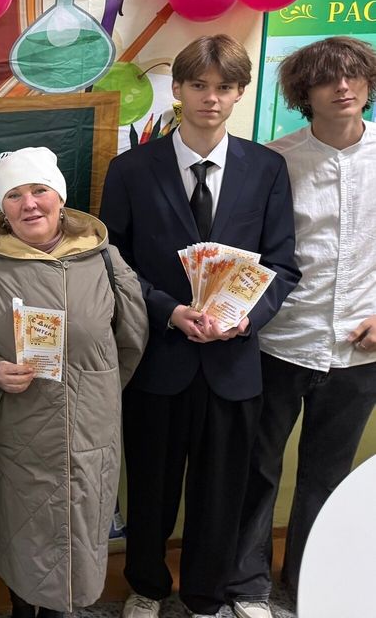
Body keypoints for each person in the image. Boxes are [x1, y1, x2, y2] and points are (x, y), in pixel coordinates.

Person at [100, 35, 300, 618]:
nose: (211, 98)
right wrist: (167, 309)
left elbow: (283, 266)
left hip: (233, 365)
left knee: (221, 493)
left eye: (224, 87)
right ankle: (146, 586)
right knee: (152, 487)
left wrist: (245, 319)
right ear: (179, 90)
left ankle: (207, 596)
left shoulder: (266, 169)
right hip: (158, 360)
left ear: (239, 94)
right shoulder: (132, 169)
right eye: (199, 86)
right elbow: (113, 264)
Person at [0, 147, 149, 618]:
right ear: (2, 207)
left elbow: (130, 340)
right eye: (14, 195)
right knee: (22, 540)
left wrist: (94, 389)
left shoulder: (103, 259)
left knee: (80, 536)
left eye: (39, 190)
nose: (29, 204)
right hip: (12, 433)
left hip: (88, 432)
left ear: (60, 197)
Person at [227, 37, 376, 618]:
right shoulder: (274, 162)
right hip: (281, 340)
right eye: (326, 79)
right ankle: (248, 586)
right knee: (257, 467)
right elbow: (249, 251)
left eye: (353, 75)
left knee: (328, 474)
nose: (342, 87)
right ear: (303, 94)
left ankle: (311, 579)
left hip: (359, 349)